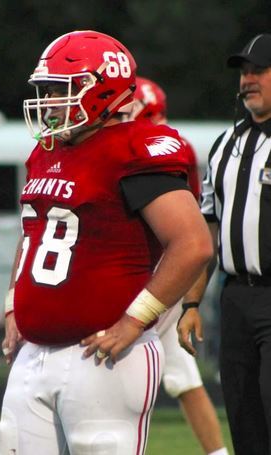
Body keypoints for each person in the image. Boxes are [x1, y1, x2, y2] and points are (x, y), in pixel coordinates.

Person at [0, 30, 213, 455]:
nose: (50, 101)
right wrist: (13, 305)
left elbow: (193, 243)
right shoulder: (46, 151)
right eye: (48, 89)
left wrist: (135, 321)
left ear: (101, 90)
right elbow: (33, 235)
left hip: (104, 356)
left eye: (62, 89)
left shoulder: (136, 148)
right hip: (34, 352)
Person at [121, 76, 228, 455]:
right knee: (184, 380)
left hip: (153, 279)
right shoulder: (173, 145)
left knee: (119, 369)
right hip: (170, 279)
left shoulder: (155, 149)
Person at [177, 33, 271, 455]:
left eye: (259, 71)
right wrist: (192, 304)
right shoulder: (226, 145)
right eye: (244, 72)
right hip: (233, 299)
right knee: (243, 413)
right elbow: (207, 231)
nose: (248, 80)